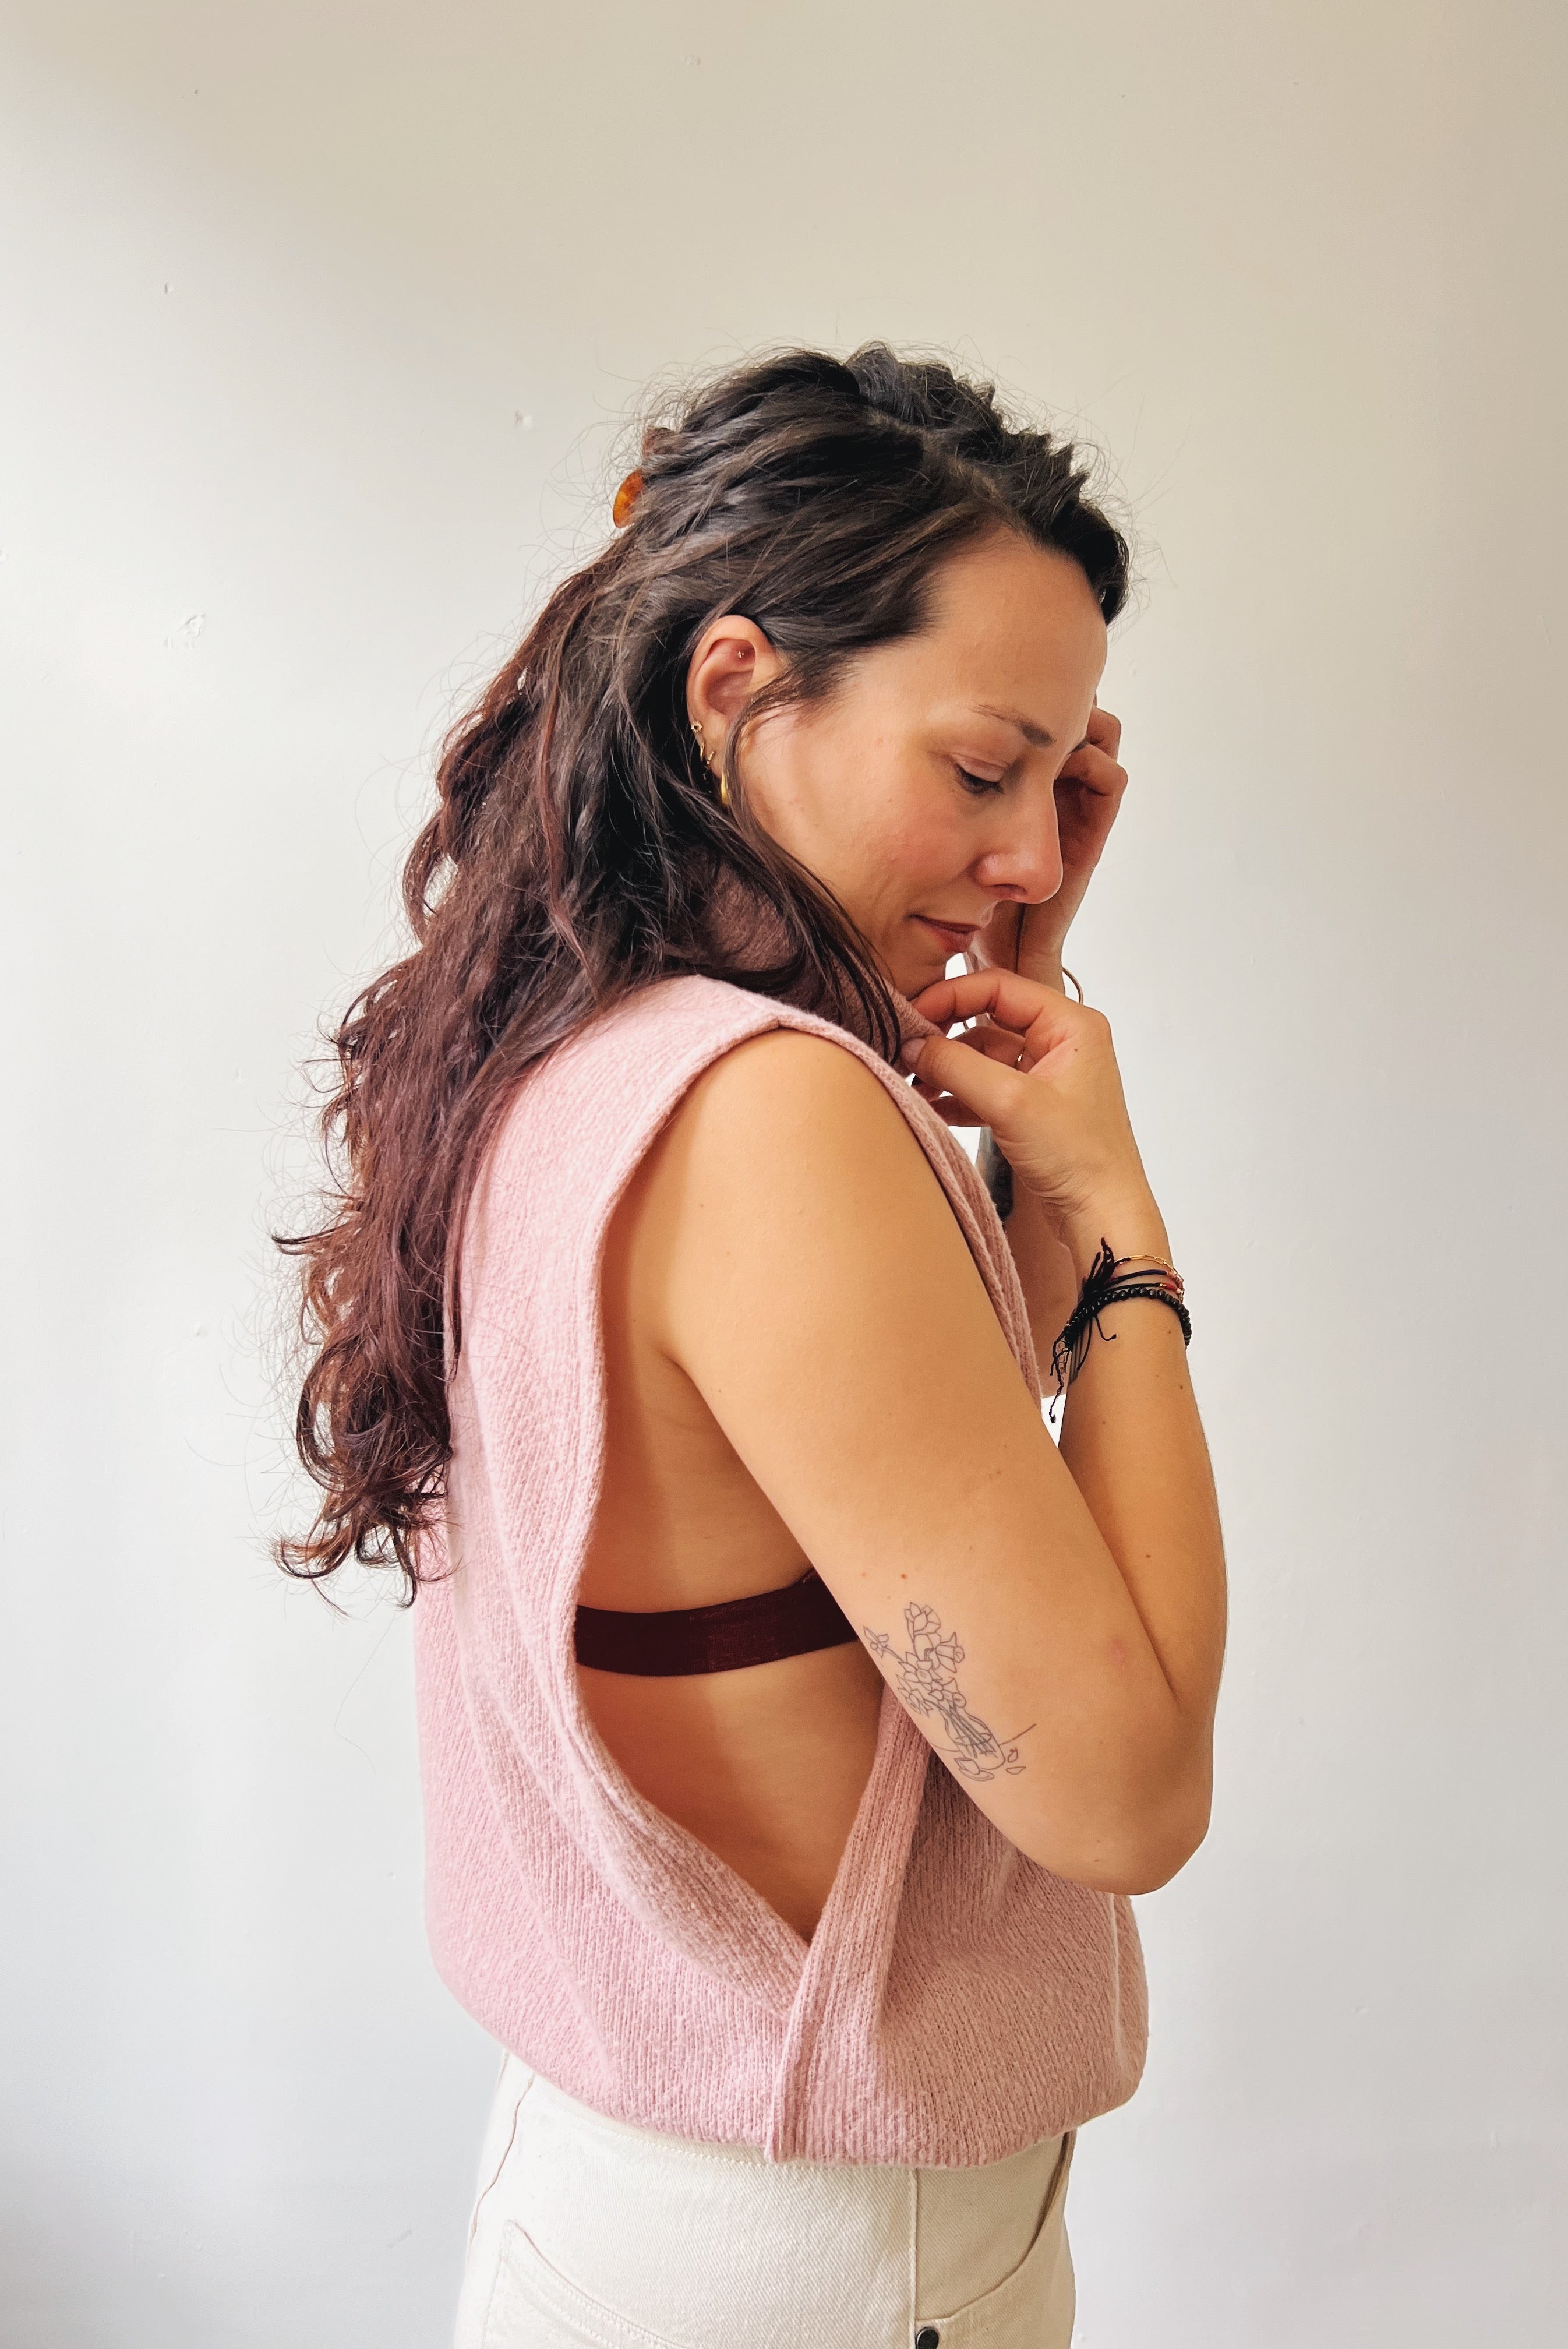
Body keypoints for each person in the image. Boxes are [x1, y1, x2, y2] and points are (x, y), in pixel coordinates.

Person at [281, 344, 1227, 2348]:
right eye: (983, 771)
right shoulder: (777, 1118)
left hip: (632, 2185)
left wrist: (994, 1081)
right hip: (831, 2258)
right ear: (735, 689)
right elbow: (1120, 1796)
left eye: (1068, 786)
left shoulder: (556, 1048)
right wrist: (1115, 1224)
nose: (1039, 857)